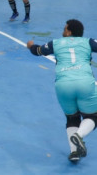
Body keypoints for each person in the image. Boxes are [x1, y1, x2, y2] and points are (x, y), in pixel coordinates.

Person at [27, 19, 97, 163]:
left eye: (65, 29)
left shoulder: (56, 43)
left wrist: (31, 46)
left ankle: (74, 152)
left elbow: (38, 51)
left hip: (63, 85)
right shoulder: (88, 42)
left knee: (72, 118)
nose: (63, 31)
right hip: (85, 83)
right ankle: (79, 135)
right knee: (93, 116)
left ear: (69, 32)